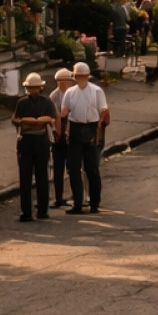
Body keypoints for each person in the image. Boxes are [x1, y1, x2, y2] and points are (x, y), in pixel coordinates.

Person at [61, 61, 110, 214]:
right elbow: (64, 111)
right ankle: (78, 203)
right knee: (74, 169)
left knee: (92, 169)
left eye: (82, 76)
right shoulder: (70, 92)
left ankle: (94, 203)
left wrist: (100, 128)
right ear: (75, 77)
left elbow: (103, 110)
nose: (80, 78)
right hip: (75, 129)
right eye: (78, 76)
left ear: (88, 76)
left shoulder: (96, 91)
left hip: (91, 128)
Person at [13, 73, 57, 221]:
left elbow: (18, 120)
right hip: (39, 139)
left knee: (26, 178)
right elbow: (51, 118)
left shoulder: (22, 102)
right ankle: (42, 211)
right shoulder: (46, 101)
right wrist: (38, 121)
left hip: (28, 140)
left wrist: (27, 121)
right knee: (41, 176)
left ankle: (27, 211)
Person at [49, 68, 73, 207]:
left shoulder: (73, 93)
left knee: (72, 167)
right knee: (58, 168)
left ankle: (74, 195)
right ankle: (58, 197)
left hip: (70, 132)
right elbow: (53, 116)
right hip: (59, 133)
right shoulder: (54, 96)